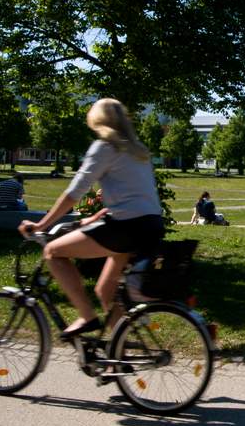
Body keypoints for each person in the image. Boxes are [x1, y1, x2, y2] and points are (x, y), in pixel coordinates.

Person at [18, 98, 165, 339]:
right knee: (105, 290)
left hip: (126, 228)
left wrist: (42, 224)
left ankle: (87, 317)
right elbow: (137, 194)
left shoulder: (105, 147)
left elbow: (74, 193)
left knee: (53, 252)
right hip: (149, 225)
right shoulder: (138, 151)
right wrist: (100, 214)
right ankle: (119, 357)